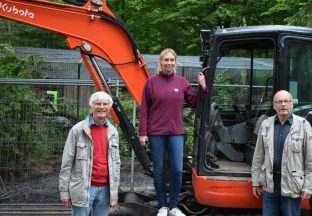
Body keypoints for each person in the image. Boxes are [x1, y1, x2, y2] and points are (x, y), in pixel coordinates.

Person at [138, 48, 207, 216]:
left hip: (176, 132)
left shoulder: (182, 82)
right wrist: (142, 132)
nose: (169, 63)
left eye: (171, 60)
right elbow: (145, 109)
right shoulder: (151, 82)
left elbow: (195, 103)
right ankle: (163, 206)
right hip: (156, 133)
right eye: (166, 60)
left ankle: (174, 206)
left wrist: (203, 87)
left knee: (177, 169)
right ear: (161, 62)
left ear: (175, 62)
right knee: (159, 169)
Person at [251, 90, 312, 216]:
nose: (283, 104)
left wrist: (308, 186)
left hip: (292, 183)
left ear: (291, 104)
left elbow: (311, 160)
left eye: (286, 101)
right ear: (274, 105)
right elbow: (258, 156)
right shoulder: (266, 125)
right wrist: (255, 181)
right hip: (270, 183)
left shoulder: (303, 125)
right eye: (279, 102)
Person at [59, 91, 121, 216]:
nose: (102, 107)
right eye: (98, 103)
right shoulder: (78, 130)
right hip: (83, 188)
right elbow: (66, 163)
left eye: (105, 104)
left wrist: (114, 193)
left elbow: (116, 164)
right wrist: (64, 192)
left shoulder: (113, 132)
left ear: (109, 108)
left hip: (105, 190)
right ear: (91, 106)